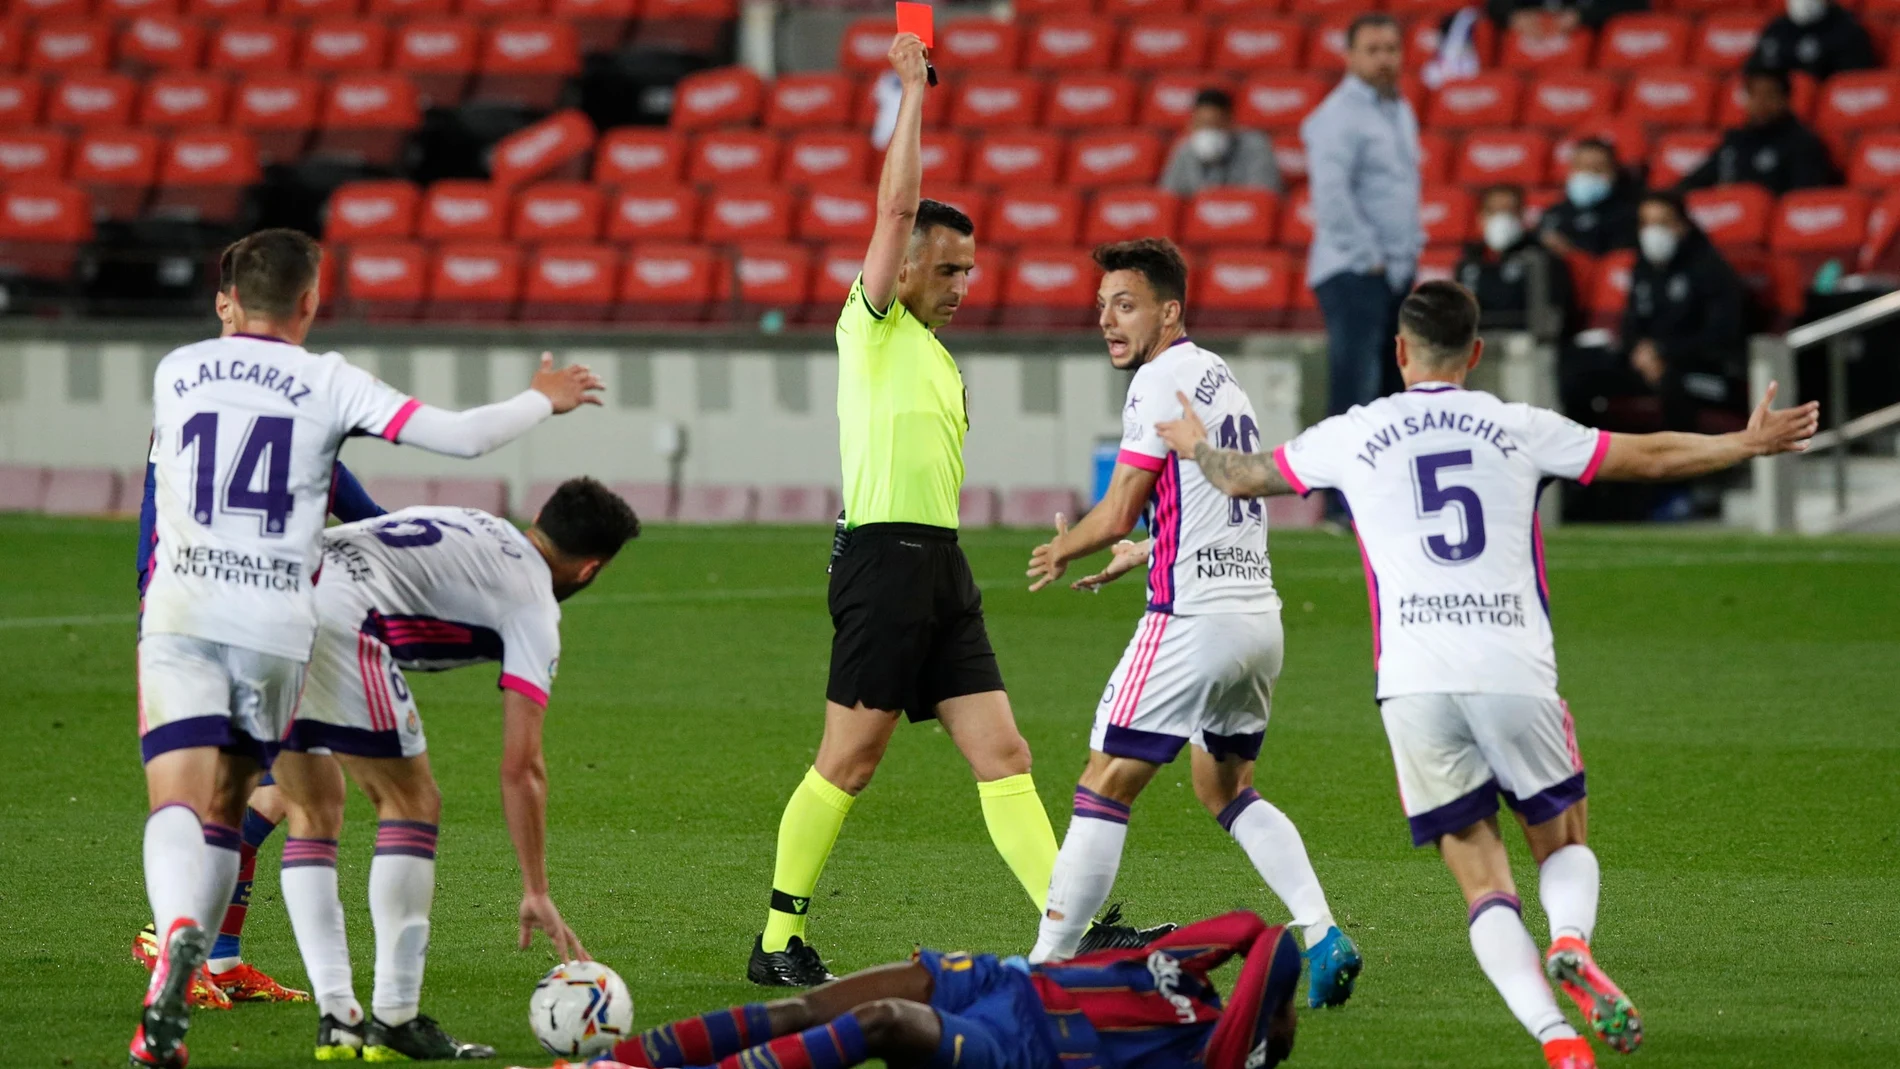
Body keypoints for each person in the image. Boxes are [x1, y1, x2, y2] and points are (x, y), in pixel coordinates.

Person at [1155, 280, 1819, 1069]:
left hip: (1413, 680)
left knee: (1480, 877)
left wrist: (1195, 440)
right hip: (1512, 663)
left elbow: (1240, 476)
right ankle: (1570, 940)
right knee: (1563, 837)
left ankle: (1558, 1040)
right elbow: (1642, 455)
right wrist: (1743, 444)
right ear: (1475, 353)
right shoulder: (1517, 426)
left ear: (1399, 351)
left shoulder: (1355, 431)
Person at [130, 227, 603, 1069]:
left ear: (230, 299)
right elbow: (459, 437)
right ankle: (380, 1014)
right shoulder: (327, 379)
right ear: (311, 300)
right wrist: (545, 398)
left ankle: (181, 947)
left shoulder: (175, 370)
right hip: (278, 617)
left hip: (178, 602)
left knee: (195, 804)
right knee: (368, 800)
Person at [748, 32, 1064, 988]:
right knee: (849, 761)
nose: (963, 285)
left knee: (1004, 749)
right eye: (949, 268)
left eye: (970, 270)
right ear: (906, 266)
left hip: (940, 566)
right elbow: (894, 204)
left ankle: (1070, 930)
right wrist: (911, 91)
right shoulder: (872, 324)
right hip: (884, 563)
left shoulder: (930, 349)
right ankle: (775, 939)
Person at [1018, 238, 1360, 1007]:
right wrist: (1145, 550)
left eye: (1126, 304)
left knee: (1103, 782)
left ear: (1169, 311)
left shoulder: (1156, 379)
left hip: (1193, 619)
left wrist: (1066, 547)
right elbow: (1208, 494)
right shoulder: (1216, 374)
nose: (1107, 319)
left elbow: (1113, 509)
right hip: (1256, 620)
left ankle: (1041, 970)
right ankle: (1321, 929)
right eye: (1103, 304)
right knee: (1225, 783)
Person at [266, 480, 639, 1060]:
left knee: (311, 809)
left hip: (265, 598)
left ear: (539, 515)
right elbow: (523, 766)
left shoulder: (477, 521)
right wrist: (535, 888)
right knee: (412, 802)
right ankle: (394, 1015)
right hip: (337, 619)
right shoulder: (534, 605)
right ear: (590, 570)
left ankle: (338, 1018)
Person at [129, 240, 387, 1010]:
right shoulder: (201, 392)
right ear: (225, 306)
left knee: (283, 790)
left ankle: (216, 951)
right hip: (213, 616)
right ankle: (175, 942)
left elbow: (337, 490)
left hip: (244, 616)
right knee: (278, 791)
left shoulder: (234, 393)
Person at [510, 910, 1302, 1069]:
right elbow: (1248, 926)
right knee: (803, 1006)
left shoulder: (1214, 1050)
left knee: (885, 1021)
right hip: (997, 980)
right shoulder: (1188, 980)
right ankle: (611, 1068)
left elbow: (1267, 951)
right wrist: (1279, 965)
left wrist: (1277, 971)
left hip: (1025, 1050)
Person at [1302, 13, 1424, 425]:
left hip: (1392, 273)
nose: (1384, 59)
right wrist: (1368, 257)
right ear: (1350, 56)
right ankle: (1340, 493)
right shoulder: (1338, 115)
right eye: (1372, 51)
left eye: (1391, 49)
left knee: (1393, 396)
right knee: (1356, 397)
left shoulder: (1399, 108)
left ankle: (1383, 490)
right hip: (1355, 273)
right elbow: (1331, 197)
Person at [1622, 192, 1748, 433]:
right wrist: (1638, 350)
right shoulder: (1643, 268)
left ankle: (1681, 469)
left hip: (1709, 373)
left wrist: (1663, 352)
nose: (1652, 232)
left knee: (1671, 383)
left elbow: (1722, 335)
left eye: (1662, 223)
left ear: (1682, 225)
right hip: (1652, 365)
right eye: (1646, 223)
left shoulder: (1711, 268)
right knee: (1584, 372)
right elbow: (1631, 322)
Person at [1676, 65, 1839, 196]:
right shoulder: (1735, 140)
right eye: (1753, 94)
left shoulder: (1803, 143)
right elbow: (1694, 182)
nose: (1760, 103)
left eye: (1768, 95)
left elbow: (1804, 197)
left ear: (1785, 99)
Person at [1457, 184, 1575, 337]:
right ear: (1481, 217)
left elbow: (1555, 317)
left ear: (1522, 215)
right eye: (1493, 211)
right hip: (1478, 345)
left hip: (1526, 348)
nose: (1501, 218)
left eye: (1509, 211)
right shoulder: (1467, 261)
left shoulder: (1543, 259)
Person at [1159, 88, 1281, 198]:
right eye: (1201, 124)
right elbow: (1168, 197)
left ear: (1230, 122)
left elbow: (1263, 196)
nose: (1207, 130)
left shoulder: (1256, 147)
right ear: (1191, 124)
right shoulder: (1184, 150)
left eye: (1214, 124)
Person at [1538, 139, 1638, 259]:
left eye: (1597, 169)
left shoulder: (1627, 216)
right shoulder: (1554, 212)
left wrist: (1572, 253)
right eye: (1582, 167)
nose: (1588, 174)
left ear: (1613, 172)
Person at [1750, 0, 1875, 83]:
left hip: (1818, 109)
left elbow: (1852, 82)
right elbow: (1752, 71)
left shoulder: (1847, 30)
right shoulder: (1776, 29)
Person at [1486, 0, 1646, 34]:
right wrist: (1514, 16)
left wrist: (1582, 16)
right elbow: (1494, 5)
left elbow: (1637, 4)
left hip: (1586, 69)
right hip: (1533, 58)